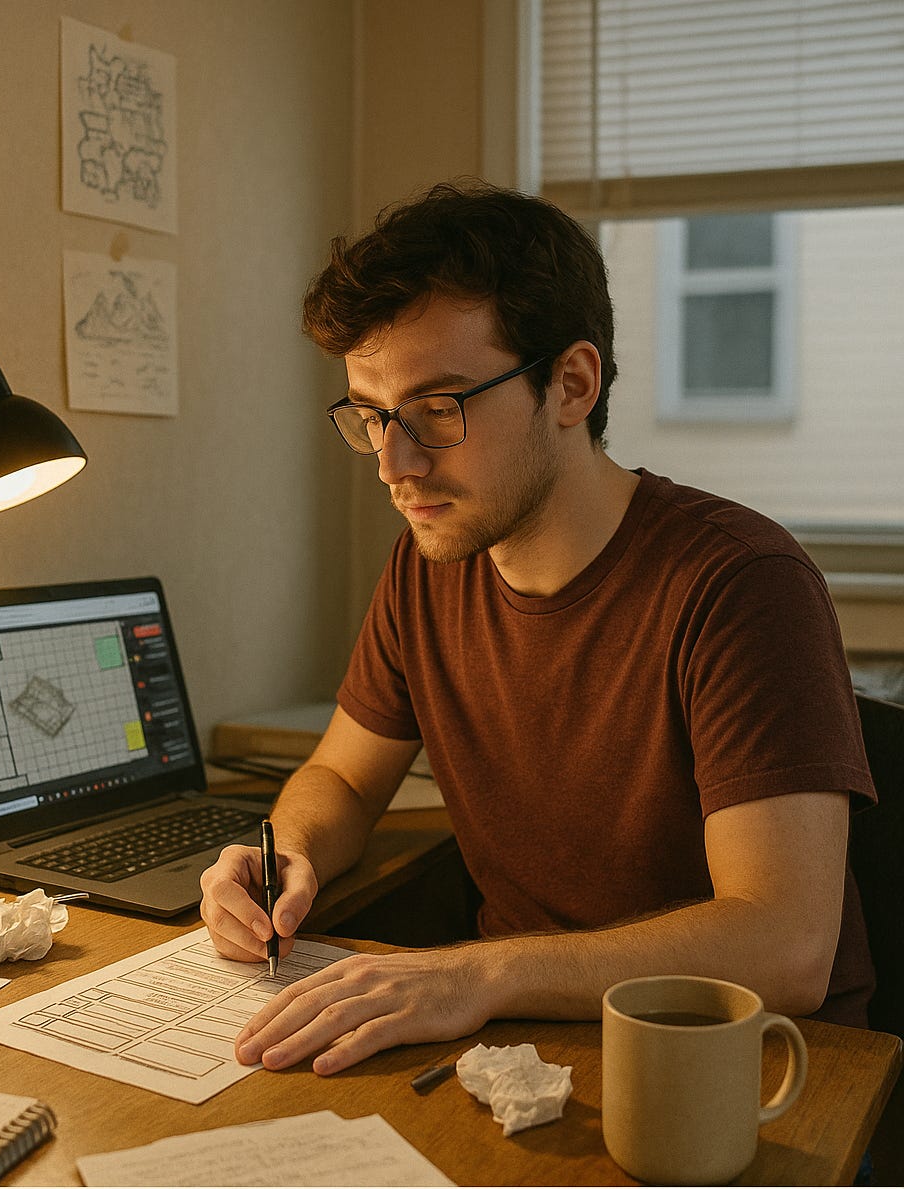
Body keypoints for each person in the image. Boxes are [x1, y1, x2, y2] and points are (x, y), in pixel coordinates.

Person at [200, 180, 876, 1077]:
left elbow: (786, 942)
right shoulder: (429, 564)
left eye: (439, 408)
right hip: (526, 1043)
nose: (394, 464)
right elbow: (342, 778)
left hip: (750, 1069)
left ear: (571, 382)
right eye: (371, 415)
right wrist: (286, 854)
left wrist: (478, 973)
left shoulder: (740, 585)